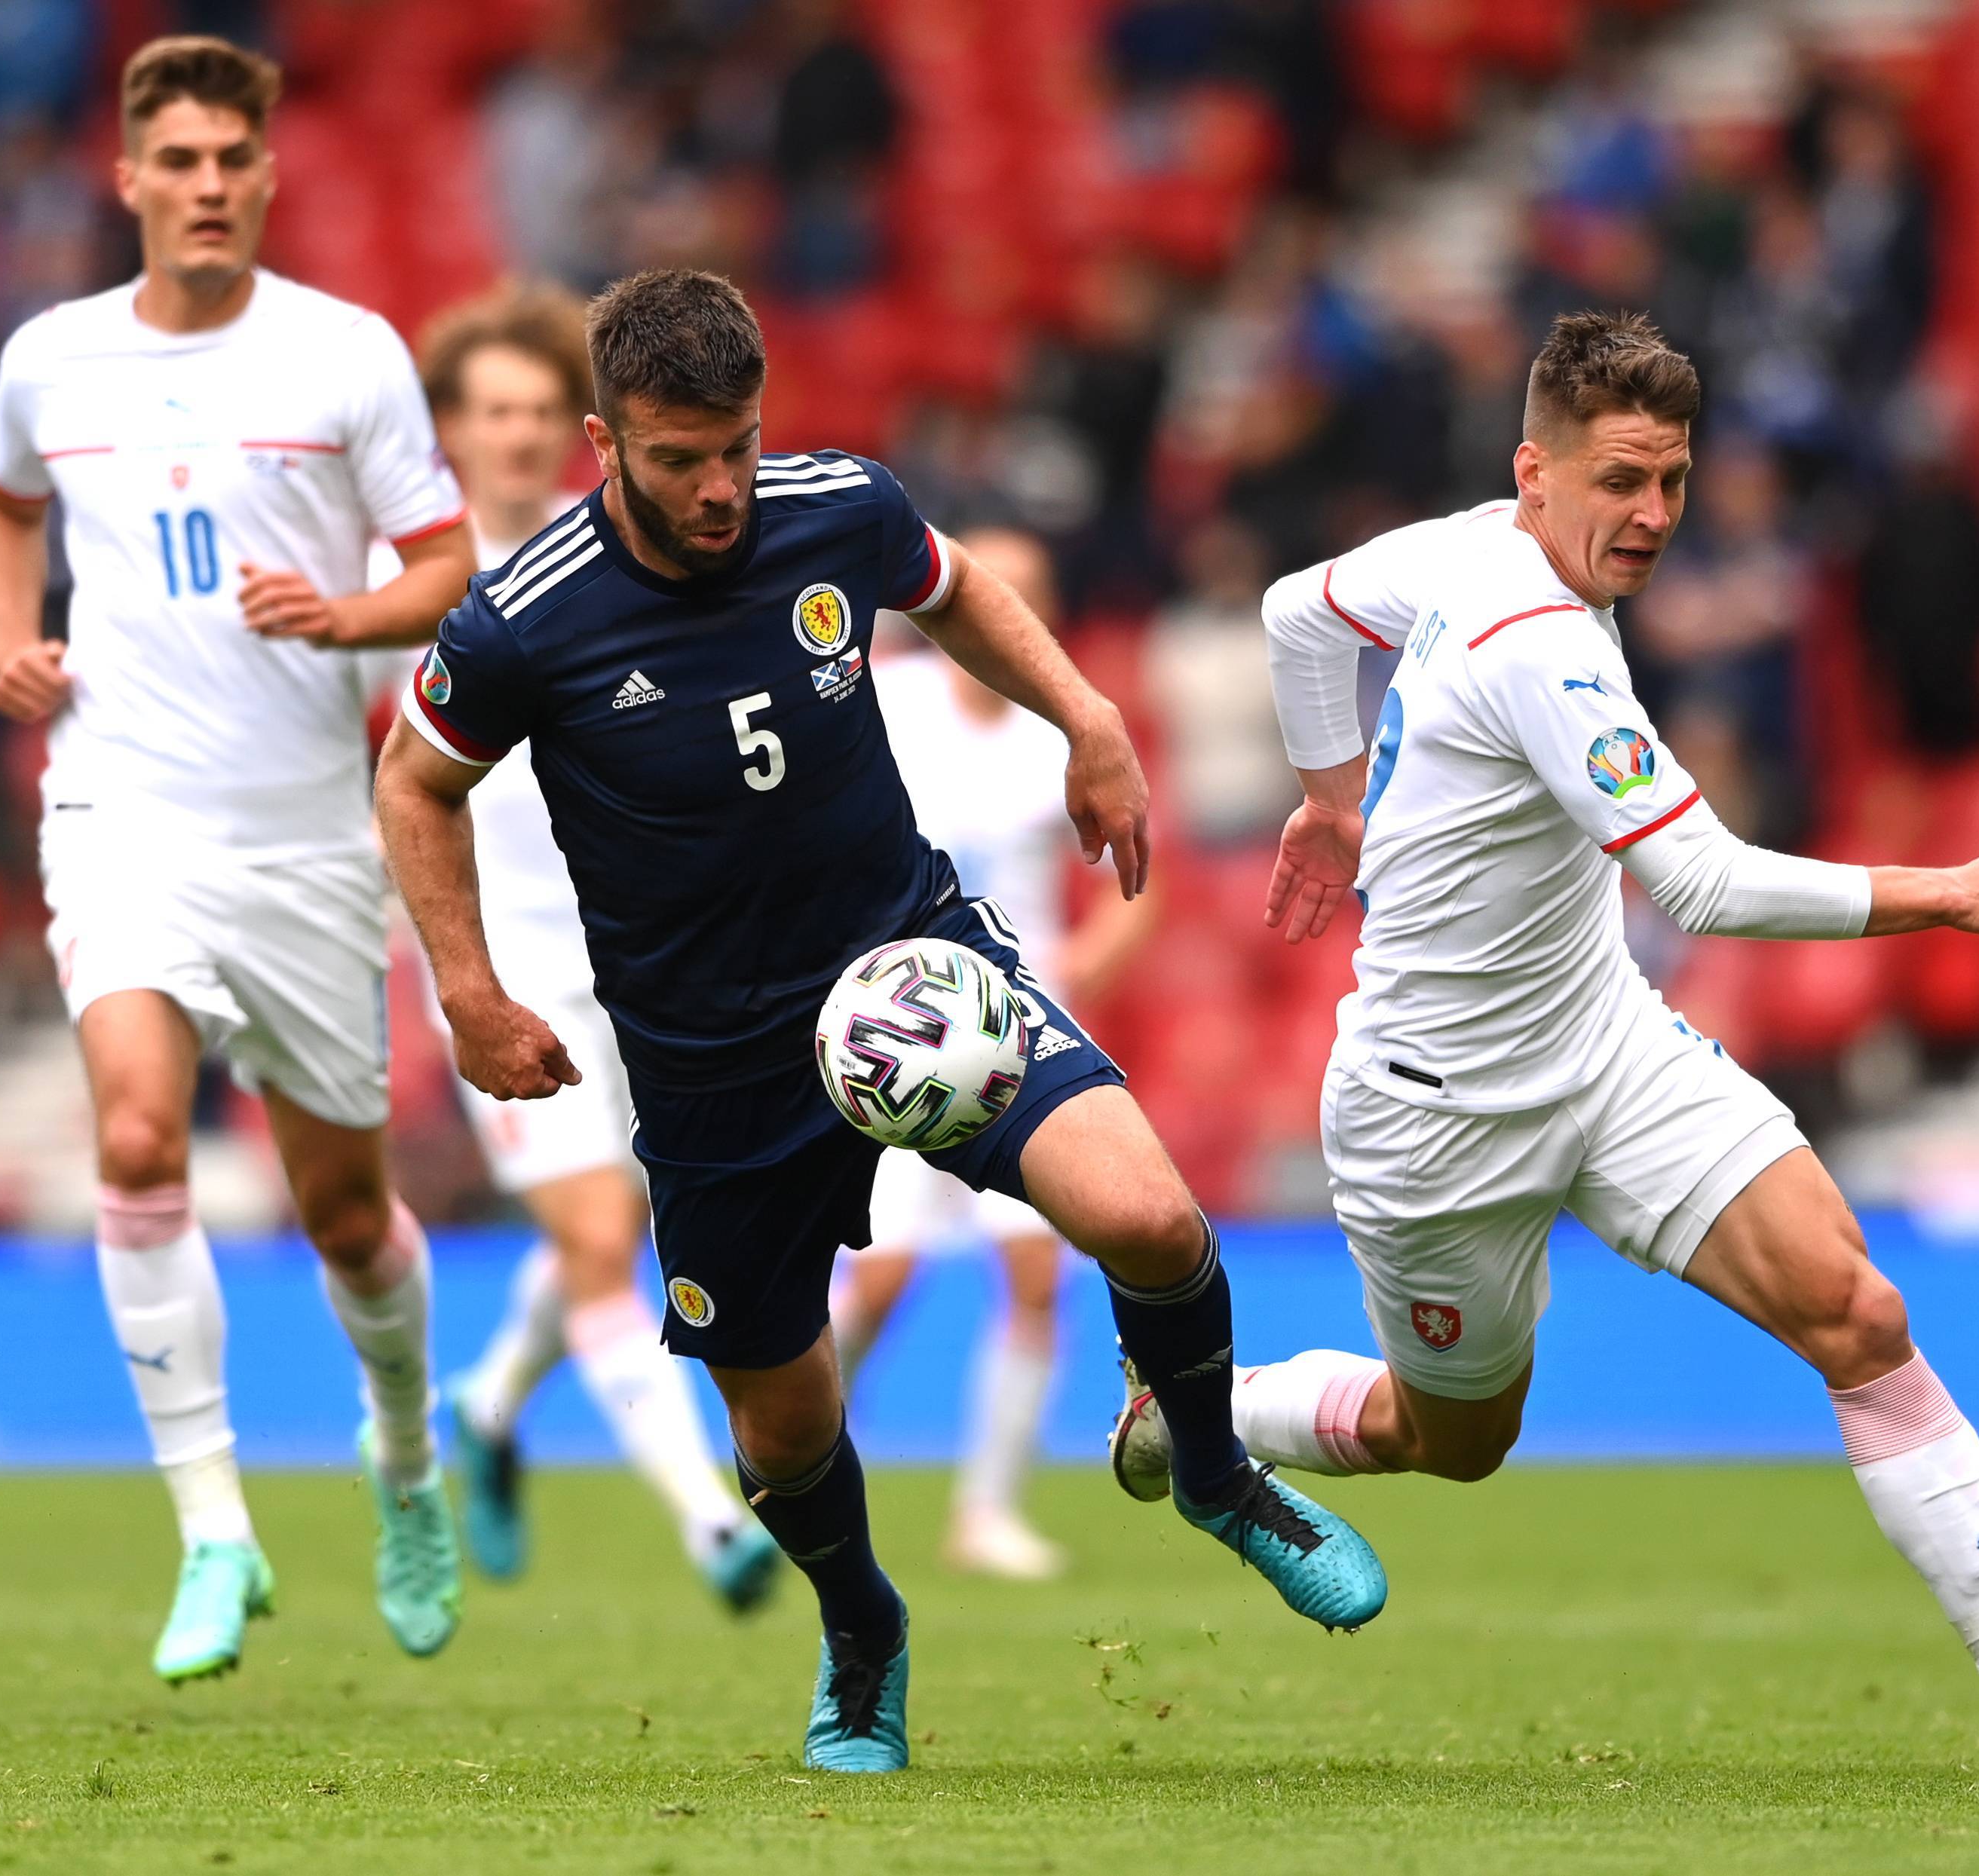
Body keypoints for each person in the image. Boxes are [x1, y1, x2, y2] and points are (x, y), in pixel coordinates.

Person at [1115, 311, 1979, 1778]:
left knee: (1861, 1317)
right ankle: (1191, 1422)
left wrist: (1333, 797)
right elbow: (1699, 882)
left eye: (1675, 484)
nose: (1650, 518)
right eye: (1621, 482)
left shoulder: (1462, 549)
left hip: (1605, 1046)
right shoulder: (1534, 642)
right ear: (1536, 471)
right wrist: (1942, 891)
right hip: (1438, 1115)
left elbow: (1296, 613)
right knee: (1448, 1440)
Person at [376, 269, 1384, 1775]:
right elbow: (415, 780)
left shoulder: (837, 506)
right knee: (784, 1433)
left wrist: (1087, 718)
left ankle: (1220, 1474)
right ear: (605, 443)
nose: (718, 489)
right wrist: (467, 990)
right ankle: (863, 1629)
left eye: (736, 447)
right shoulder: (528, 622)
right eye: (677, 459)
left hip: (915, 970)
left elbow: (959, 587)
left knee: (1153, 1220)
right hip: (710, 1063)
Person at [0, 36, 478, 1683]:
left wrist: (348, 615)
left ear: (267, 177)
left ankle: (403, 1457)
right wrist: (11, 641)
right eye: (174, 161)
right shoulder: (54, 359)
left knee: (343, 1216)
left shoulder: (346, 358)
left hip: (308, 839)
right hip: (121, 811)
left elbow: (450, 564)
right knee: (133, 1132)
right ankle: (213, 1531)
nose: (204, 188)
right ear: (127, 178)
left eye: (229, 163)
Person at [400, 282, 780, 1607]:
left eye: (528, 414)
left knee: (619, 1233)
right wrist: (448, 976)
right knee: (605, 1239)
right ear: (444, 430)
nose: (510, 439)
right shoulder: (400, 599)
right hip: (517, 976)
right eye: (483, 413)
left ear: (578, 430)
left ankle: (494, 1404)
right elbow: (385, 780)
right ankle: (709, 1522)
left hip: (655, 955)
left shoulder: (617, 568)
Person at [829, 527, 1161, 1581]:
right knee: (880, 1285)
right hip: (897, 1038)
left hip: (1011, 1037)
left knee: (1033, 1279)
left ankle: (985, 1510)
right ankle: (791, 1455)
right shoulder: (888, 699)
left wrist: (1063, 978)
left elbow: (1139, 892)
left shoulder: (1054, 737)